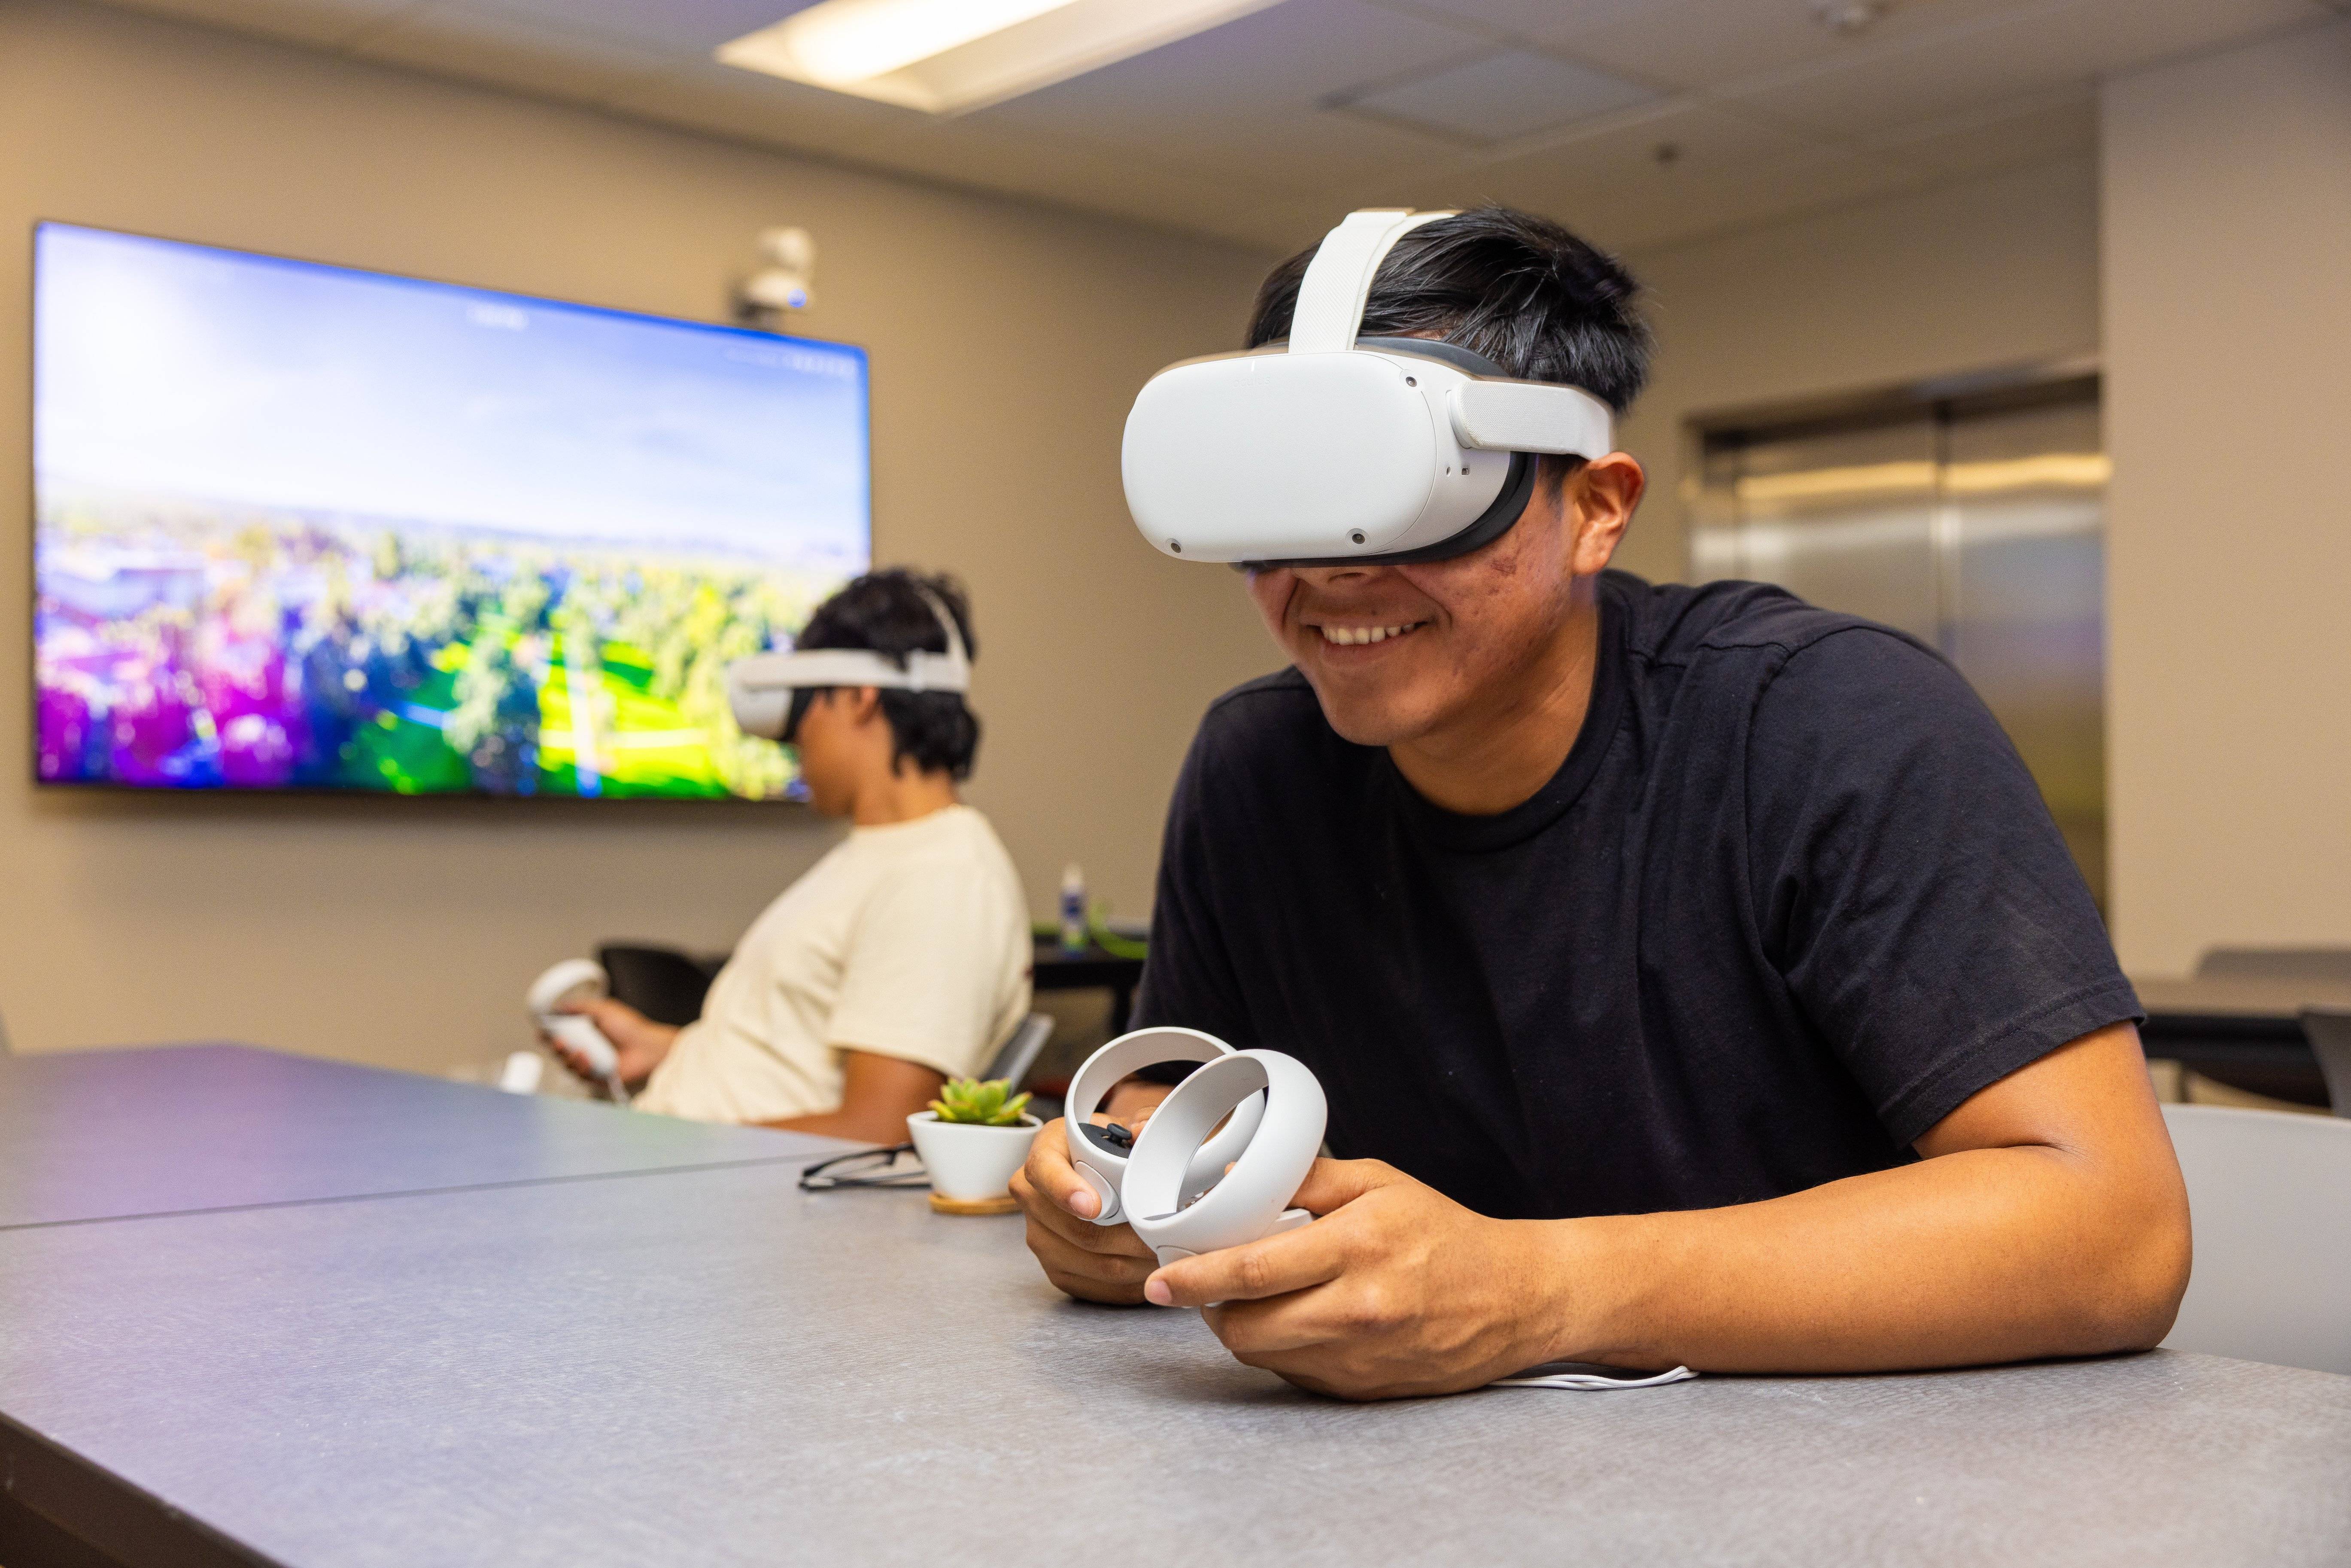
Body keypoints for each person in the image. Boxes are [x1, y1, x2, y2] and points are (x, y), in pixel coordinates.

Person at [1011, 208, 2190, 1399]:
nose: (1330, 574)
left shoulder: (1824, 721)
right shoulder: (1256, 765)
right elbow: (1177, 1104)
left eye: (1402, 494)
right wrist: (1119, 1199)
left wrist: (1543, 1290)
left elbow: (2112, 1230)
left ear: (1595, 508)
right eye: (1287, 503)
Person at [550, 569, 1031, 1144]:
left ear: (859, 698)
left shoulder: (943, 878)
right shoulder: (878, 856)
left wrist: (667, 1152)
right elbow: (791, 1061)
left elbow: (880, 1129)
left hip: (713, 1199)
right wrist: (662, 1048)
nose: (793, 741)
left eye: (804, 710)